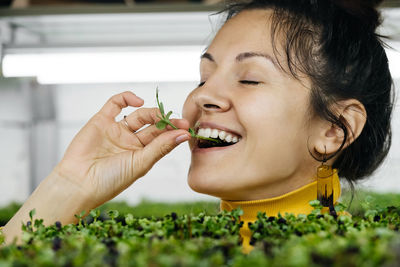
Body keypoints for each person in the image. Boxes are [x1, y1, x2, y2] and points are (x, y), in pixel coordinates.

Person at [1, 0, 394, 252]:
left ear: (334, 129)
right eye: (204, 77)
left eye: (249, 78)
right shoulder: (165, 251)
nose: (203, 96)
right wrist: (71, 185)